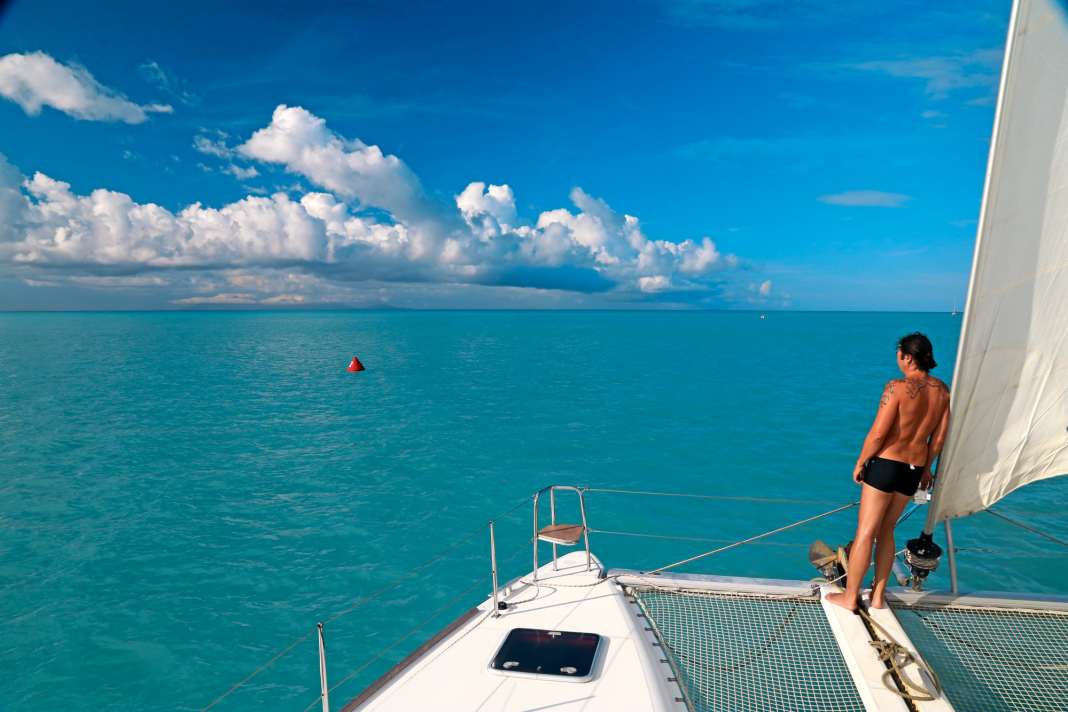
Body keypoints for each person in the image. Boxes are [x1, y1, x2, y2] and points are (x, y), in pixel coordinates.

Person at [825, 332, 950, 611]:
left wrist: (860, 461)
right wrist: (927, 467)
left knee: (866, 531)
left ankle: (850, 597)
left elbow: (879, 434)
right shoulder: (942, 391)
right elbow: (939, 439)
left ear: (906, 356)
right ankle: (878, 596)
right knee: (887, 530)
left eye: (898, 354)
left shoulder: (896, 387)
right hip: (914, 469)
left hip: (886, 465)